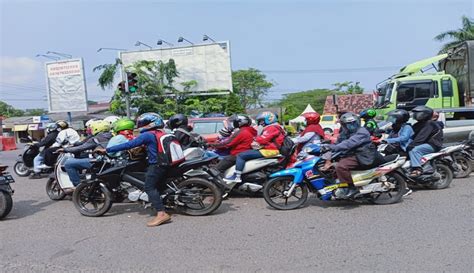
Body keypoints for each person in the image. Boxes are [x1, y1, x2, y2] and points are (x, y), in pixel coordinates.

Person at [99, 113, 173, 227]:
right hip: (164, 163)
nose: (140, 126)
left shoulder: (147, 135)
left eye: (142, 123)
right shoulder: (160, 133)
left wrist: (107, 150)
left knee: (149, 186)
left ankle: (161, 213)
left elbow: (130, 145)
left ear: (150, 124)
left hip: (157, 164)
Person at [223, 111, 284, 183]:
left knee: (241, 155)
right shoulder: (274, 127)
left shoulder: (273, 127)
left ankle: (237, 176)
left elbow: (263, 139)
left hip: (271, 150)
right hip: (269, 149)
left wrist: (255, 139)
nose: (261, 123)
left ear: (269, 119)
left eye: (262, 121)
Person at [321, 112, 372, 198]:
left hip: (362, 155)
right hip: (352, 154)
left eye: (353, 123)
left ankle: (350, 188)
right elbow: (338, 142)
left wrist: (333, 147)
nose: (352, 125)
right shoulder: (345, 132)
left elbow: (349, 144)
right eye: (349, 124)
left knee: (341, 166)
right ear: (344, 125)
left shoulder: (362, 132)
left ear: (358, 122)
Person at [62, 120, 113, 187]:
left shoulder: (95, 138)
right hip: (110, 161)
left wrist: (65, 150)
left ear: (96, 128)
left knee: (69, 163)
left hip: (99, 162)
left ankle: (79, 187)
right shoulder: (112, 136)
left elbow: (81, 148)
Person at [407, 106, 443, 177]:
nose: (415, 115)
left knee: (415, 150)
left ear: (425, 114)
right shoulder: (418, 124)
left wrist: (411, 145)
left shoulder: (430, 123)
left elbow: (421, 137)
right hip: (425, 144)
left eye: (418, 113)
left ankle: (417, 169)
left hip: (432, 145)